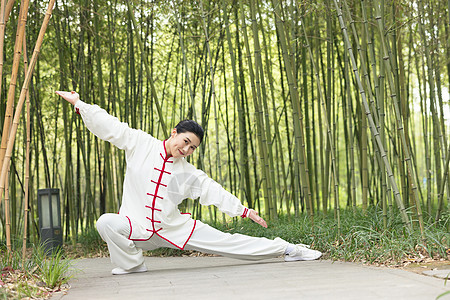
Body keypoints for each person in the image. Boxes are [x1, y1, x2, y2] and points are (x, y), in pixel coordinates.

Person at [55, 90, 322, 275]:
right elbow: (111, 126)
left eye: (192, 148)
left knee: (230, 242)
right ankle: (133, 264)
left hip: (175, 229)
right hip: (137, 226)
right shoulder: (140, 144)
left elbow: (212, 191)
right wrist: (80, 104)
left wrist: (243, 210)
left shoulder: (187, 173)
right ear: (174, 133)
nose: (186, 150)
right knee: (105, 221)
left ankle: (287, 248)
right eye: (185, 142)